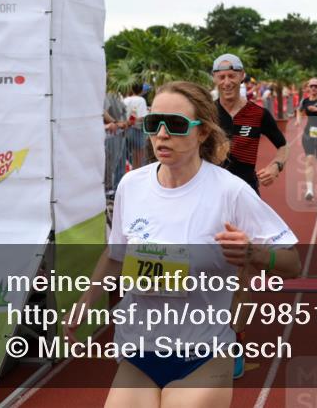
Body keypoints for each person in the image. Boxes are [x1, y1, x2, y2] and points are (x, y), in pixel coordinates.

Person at [66, 81, 299, 408]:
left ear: (202, 132)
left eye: (175, 125)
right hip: (137, 349)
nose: (161, 134)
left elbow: (293, 262)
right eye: (153, 123)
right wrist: (86, 301)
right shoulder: (131, 186)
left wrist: (254, 254)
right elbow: (116, 254)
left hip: (203, 352)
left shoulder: (230, 192)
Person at [212, 54, 288, 197]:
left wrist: (276, 166)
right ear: (214, 78)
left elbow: (283, 146)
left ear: (242, 75)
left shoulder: (259, 114)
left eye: (232, 76)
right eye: (221, 77)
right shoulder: (206, 113)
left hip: (247, 192)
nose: (227, 82)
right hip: (212, 193)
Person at [123, 84, 149, 170]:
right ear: (141, 90)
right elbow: (142, 117)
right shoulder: (141, 100)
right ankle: (137, 174)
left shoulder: (125, 99)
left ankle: (133, 173)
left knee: (131, 156)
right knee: (139, 156)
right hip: (137, 130)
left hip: (125, 130)